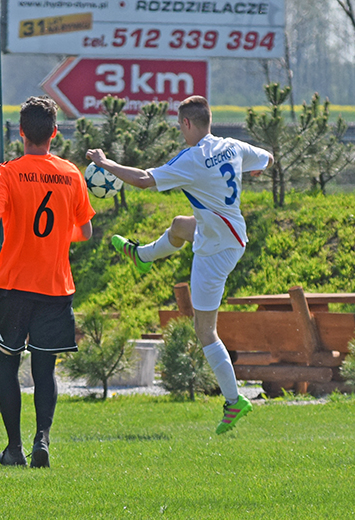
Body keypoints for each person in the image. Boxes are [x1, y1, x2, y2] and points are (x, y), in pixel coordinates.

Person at [86, 95, 273, 435]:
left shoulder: (193, 158)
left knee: (206, 332)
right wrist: (255, 166)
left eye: (179, 126)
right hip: (226, 232)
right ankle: (142, 256)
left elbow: (144, 179)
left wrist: (106, 163)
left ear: (188, 124)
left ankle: (234, 401)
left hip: (216, 252)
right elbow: (268, 158)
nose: (179, 132)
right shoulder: (231, 145)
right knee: (179, 226)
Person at [0, 96, 95, 467]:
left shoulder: (7, 173)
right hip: (54, 285)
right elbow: (86, 230)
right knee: (45, 369)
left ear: (21, 132)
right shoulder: (70, 173)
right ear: (55, 133)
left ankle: (14, 449)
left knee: (8, 365)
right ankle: (42, 440)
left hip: (12, 283)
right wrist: (61, 234)